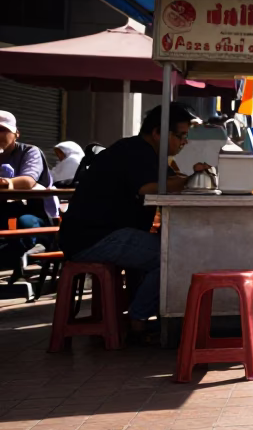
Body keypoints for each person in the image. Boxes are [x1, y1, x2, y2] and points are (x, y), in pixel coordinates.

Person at [59, 103, 205, 341]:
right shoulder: (136, 151)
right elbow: (148, 188)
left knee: (169, 250)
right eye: (180, 136)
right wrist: (193, 179)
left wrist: (190, 178)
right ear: (158, 132)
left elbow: (171, 180)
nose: (183, 142)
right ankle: (138, 320)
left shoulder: (150, 155)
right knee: (175, 256)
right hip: (94, 237)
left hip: (103, 233)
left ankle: (144, 313)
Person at [0, 111, 57, 276]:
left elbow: (27, 181)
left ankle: (34, 250)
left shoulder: (30, 152)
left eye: (3, 130)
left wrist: (6, 183)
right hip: (5, 209)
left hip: (34, 210)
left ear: (16, 133)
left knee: (24, 224)